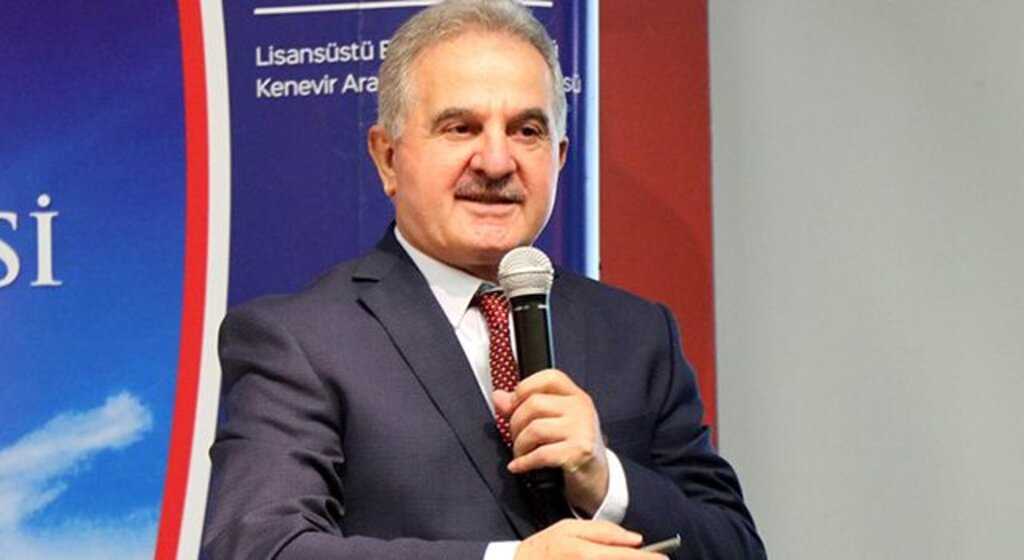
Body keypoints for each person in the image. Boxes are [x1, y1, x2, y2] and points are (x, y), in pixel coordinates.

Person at [201, 1, 765, 558]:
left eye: (526, 130)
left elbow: (735, 547)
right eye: (460, 127)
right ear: (388, 158)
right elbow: (259, 548)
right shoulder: (301, 340)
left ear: (559, 156)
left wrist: (607, 480)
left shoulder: (638, 335)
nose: (496, 162)